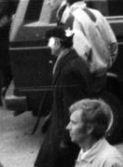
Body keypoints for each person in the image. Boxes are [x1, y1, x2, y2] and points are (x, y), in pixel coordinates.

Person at [35, 26, 92, 167]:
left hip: (64, 135)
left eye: (50, 42)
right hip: (60, 130)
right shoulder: (72, 61)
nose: (48, 46)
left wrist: (66, 140)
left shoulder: (69, 70)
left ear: (57, 44)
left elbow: (73, 108)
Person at [58, 0, 118, 96]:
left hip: (85, 76)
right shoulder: (98, 14)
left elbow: (78, 52)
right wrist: (108, 63)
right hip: (102, 72)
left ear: (66, 0)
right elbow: (113, 43)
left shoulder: (71, 19)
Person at [67, 99, 123, 167]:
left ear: (89, 129)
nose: (68, 127)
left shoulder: (109, 161)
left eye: (73, 123)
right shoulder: (84, 152)